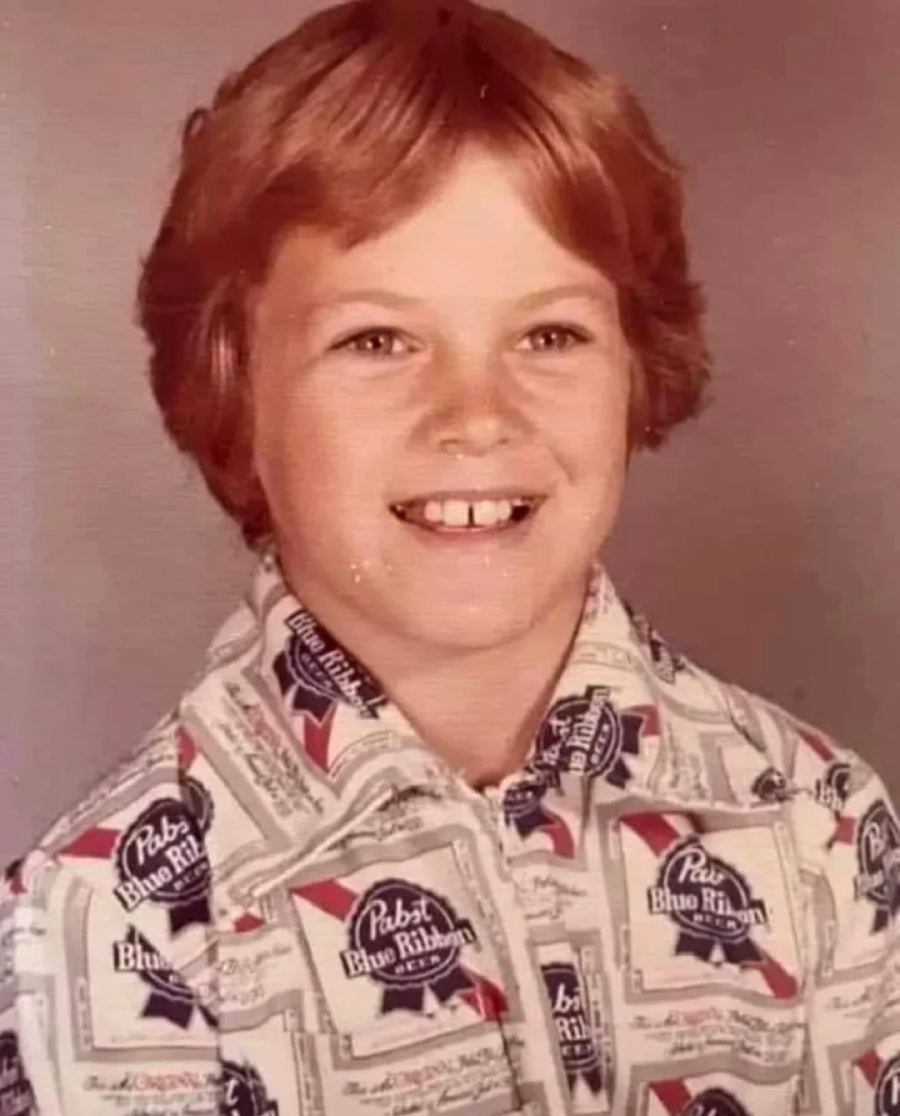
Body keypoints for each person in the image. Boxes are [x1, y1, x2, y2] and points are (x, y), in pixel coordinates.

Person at [1, 1, 897, 1113]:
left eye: (549, 336)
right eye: (377, 340)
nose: (476, 416)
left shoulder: (818, 824)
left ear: (637, 369)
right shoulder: (94, 925)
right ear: (234, 388)